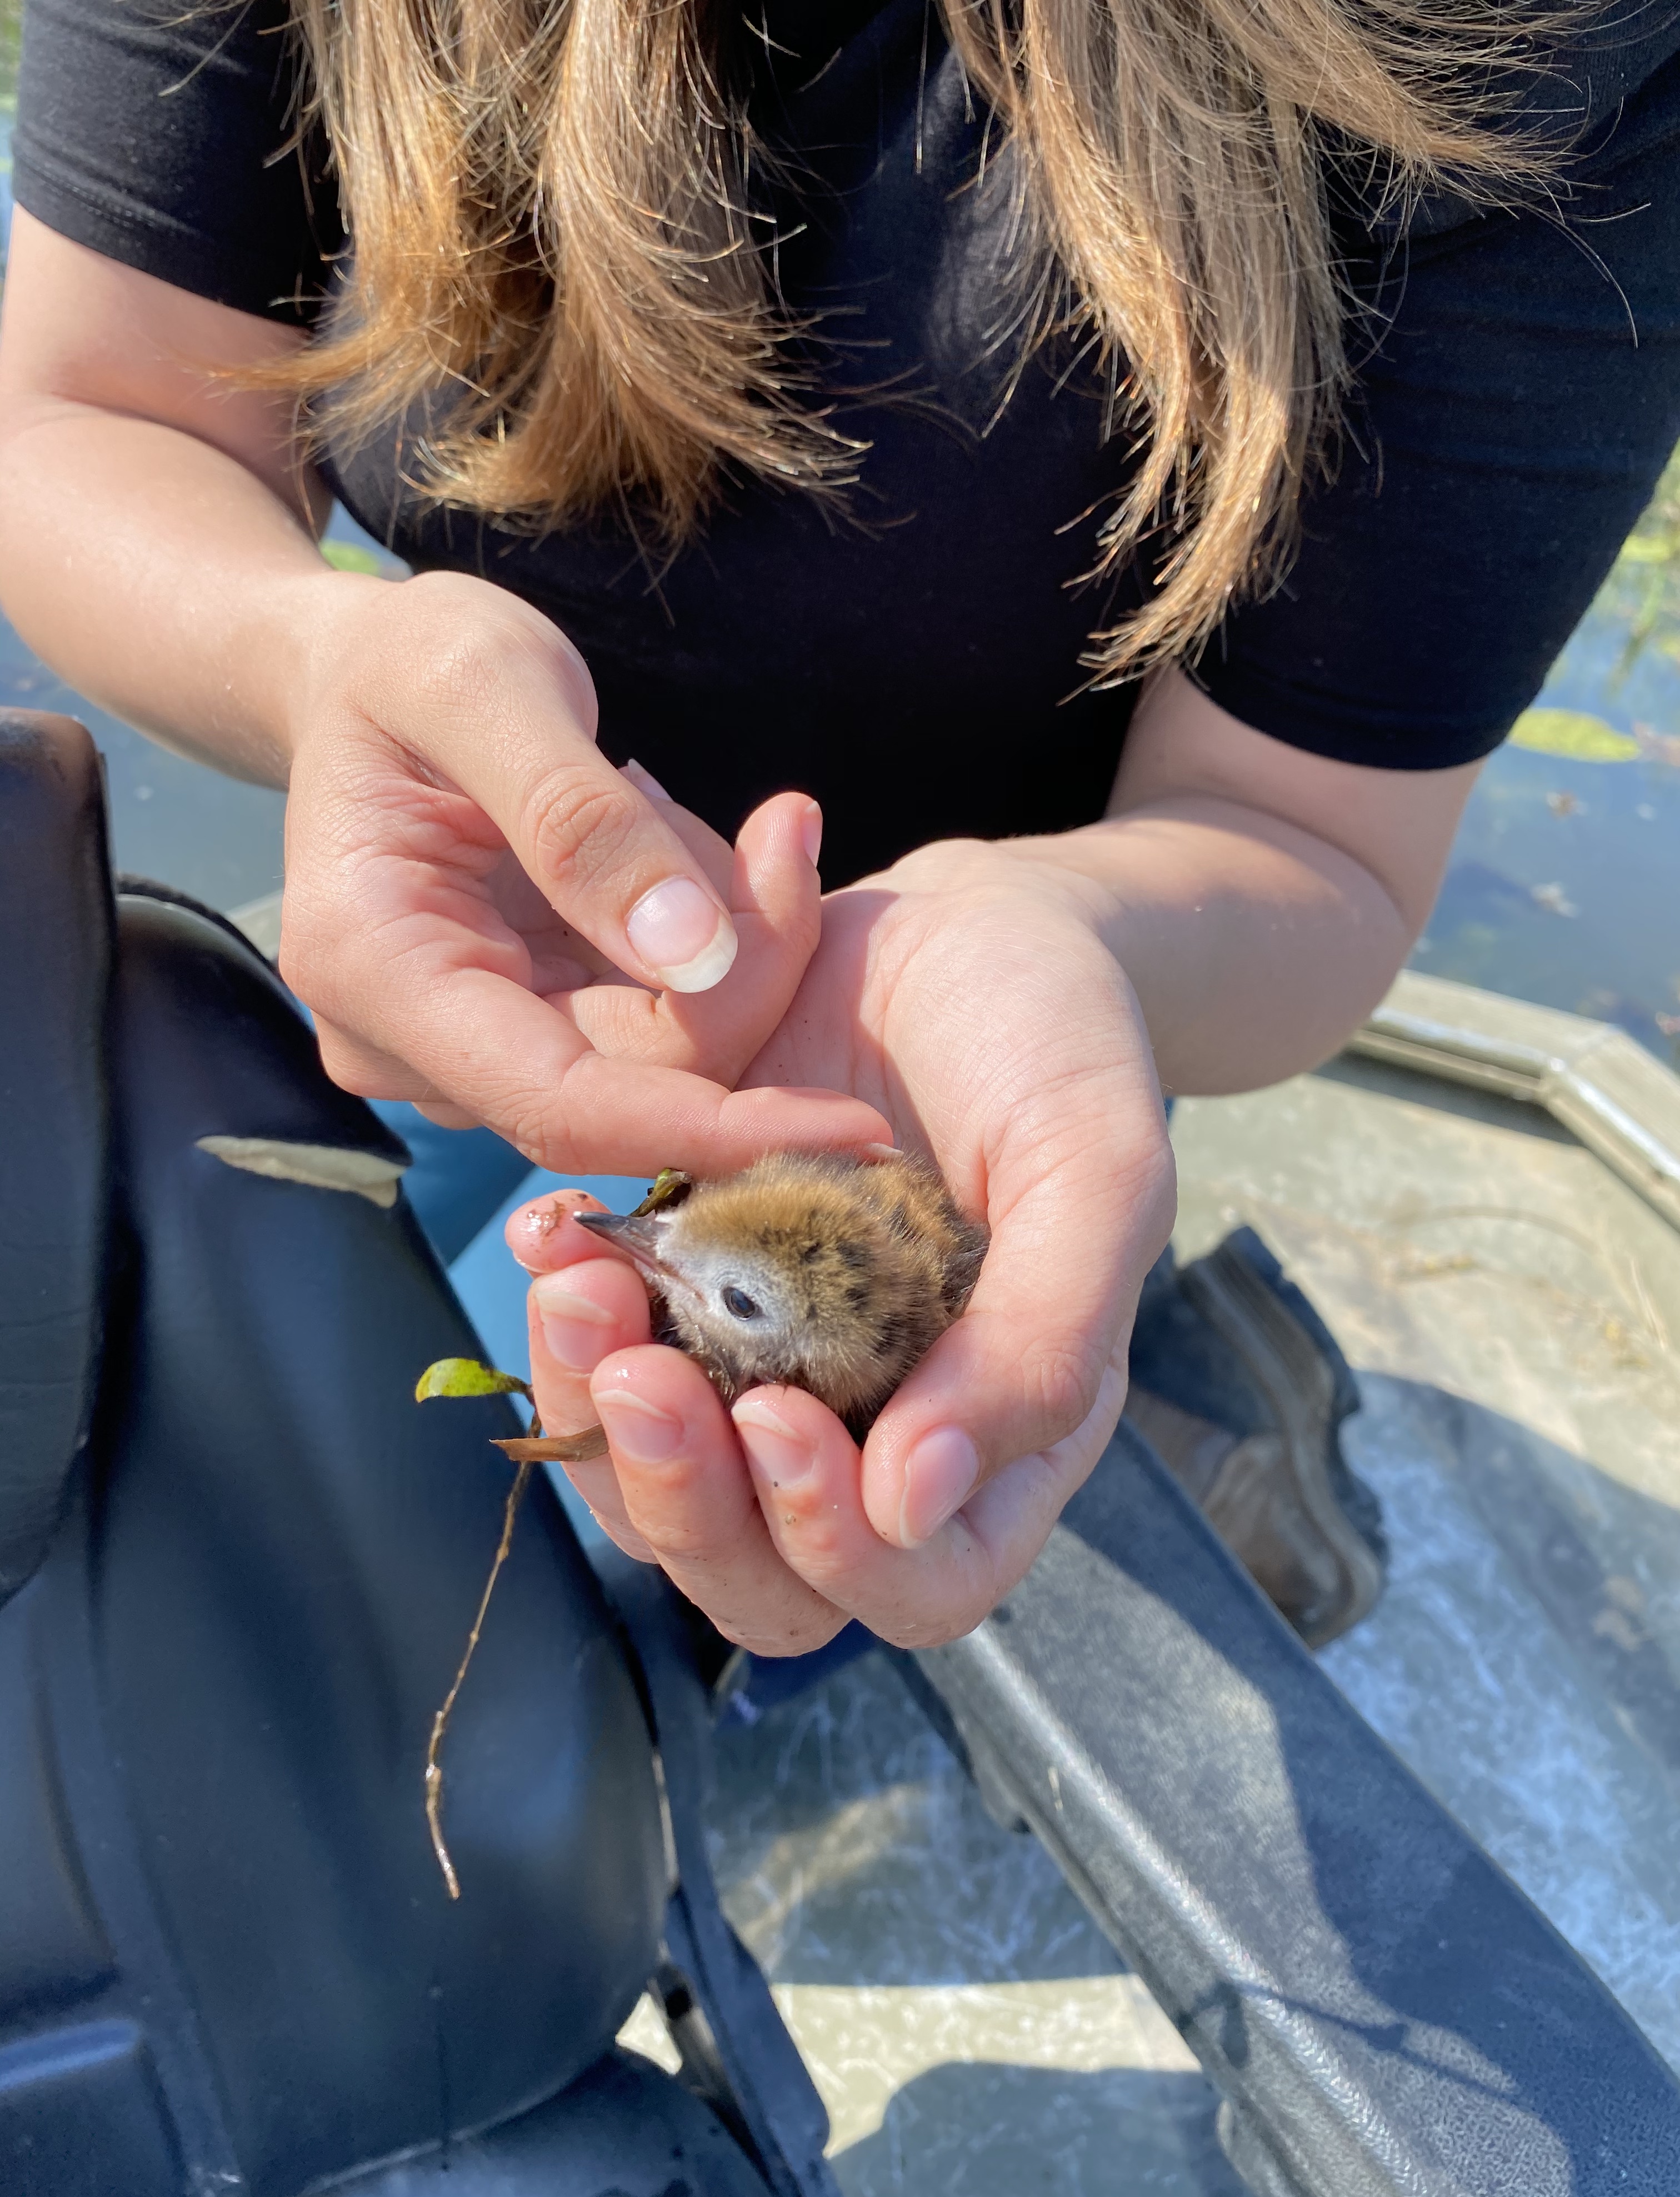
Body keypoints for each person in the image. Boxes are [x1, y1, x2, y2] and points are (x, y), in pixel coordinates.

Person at [0, 0, 1675, 1661]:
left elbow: (1315, 837)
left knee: (609, 1558)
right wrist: (326, 662)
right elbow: (87, 415)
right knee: (226, 1415)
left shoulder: (1548, 50)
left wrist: (1065, 937)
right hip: (470, 911)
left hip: (958, 1037)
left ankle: (1151, 1447)